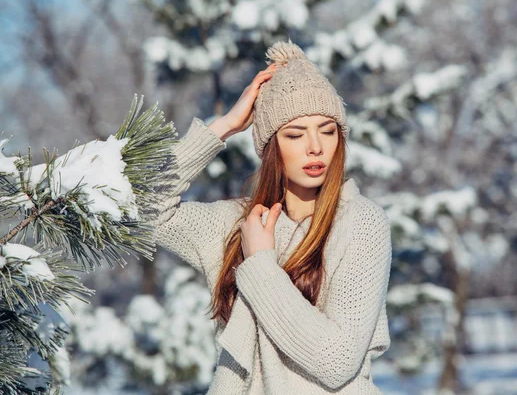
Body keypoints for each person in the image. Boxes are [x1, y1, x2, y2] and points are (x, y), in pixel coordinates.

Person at [149, 39, 392, 394]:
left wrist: (260, 263)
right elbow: (139, 209)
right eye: (295, 134)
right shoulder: (237, 224)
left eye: (328, 131)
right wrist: (225, 127)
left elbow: (337, 360)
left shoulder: (361, 222)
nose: (316, 147)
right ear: (271, 147)